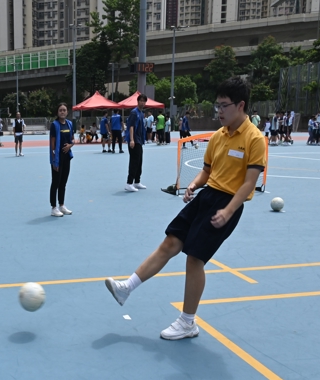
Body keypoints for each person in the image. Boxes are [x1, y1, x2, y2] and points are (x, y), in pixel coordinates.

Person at [105, 76, 266, 340]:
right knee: (170, 242)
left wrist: (228, 211)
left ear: (241, 105)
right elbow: (206, 171)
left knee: (194, 259)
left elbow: (249, 183)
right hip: (207, 196)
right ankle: (126, 288)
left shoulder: (254, 139)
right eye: (217, 105)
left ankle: (188, 322)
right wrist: (193, 184)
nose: (219, 111)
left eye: (224, 106)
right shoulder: (218, 136)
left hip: (228, 203)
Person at [49, 103, 74, 217]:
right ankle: (53, 207)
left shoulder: (69, 124)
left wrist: (70, 145)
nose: (62, 112)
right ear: (57, 112)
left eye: (64, 110)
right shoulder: (54, 125)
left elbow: (72, 140)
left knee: (63, 182)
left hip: (67, 156)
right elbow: (52, 144)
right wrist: (54, 160)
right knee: (56, 182)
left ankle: (61, 205)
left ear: (67, 112)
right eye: (60, 110)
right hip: (57, 157)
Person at [124, 94, 148, 193]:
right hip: (134, 140)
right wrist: (132, 140)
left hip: (139, 140)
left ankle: (137, 181)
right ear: (138, 102)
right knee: (134, 161)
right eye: (141, 101)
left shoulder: (141, 113)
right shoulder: (134, 112)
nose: (142, 103)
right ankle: (129, 183)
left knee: (139, 161)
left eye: (144, 101)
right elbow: (131, 126)